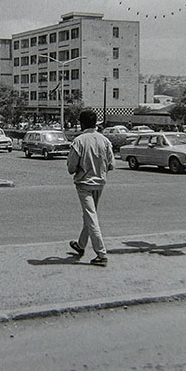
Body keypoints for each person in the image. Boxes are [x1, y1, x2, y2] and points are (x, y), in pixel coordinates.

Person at [66, 109, 114, 267]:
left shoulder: (79, 141)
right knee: (89, 215)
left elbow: (71, 168)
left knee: (91, 217)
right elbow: (111, 165)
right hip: (100, 183)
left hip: (84, 184)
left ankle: (101, 254)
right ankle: (81, 245)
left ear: (82, 123)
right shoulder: (104, 140)